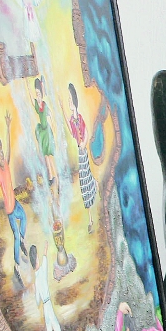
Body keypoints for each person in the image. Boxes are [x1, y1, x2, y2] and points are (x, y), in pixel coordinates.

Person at [0, 111, 29, 287]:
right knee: (17, 239)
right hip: (10, 210)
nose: (1, 154)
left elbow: (9, 149)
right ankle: (17, 267)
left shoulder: (5, 164)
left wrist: (8, 127)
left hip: (17, 205)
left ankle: (22, 239)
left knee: (25, 218)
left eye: (1, 150)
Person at [66, 83, 98, 234]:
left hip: (83, 150)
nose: (69, 103)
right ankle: (90, 216)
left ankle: (90, 218)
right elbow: (73, 132)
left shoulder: (79, 118)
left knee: (86, 178)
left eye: (71, 100)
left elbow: (86, 133)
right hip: (80, 152)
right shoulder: (72, 121)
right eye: (68, 100)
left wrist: (84, 143)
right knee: (84, 181)